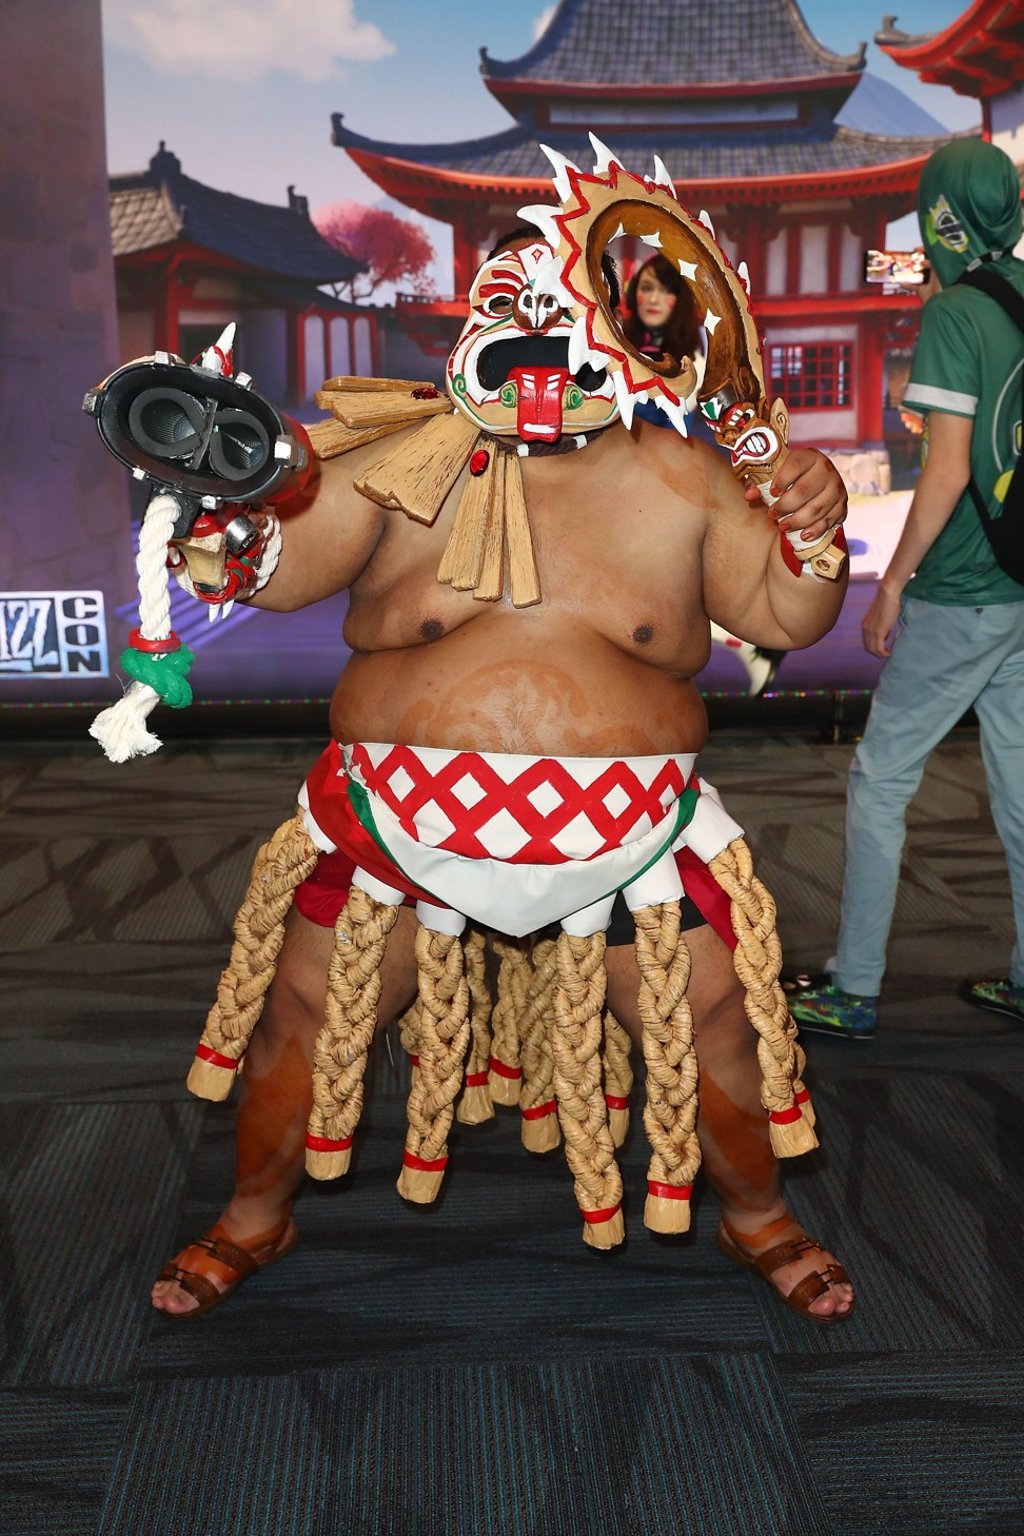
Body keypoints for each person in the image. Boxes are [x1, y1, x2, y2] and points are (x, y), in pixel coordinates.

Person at [142, 215, 854, 1323]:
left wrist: (815, 531)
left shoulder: (681, 475)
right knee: (303, 1012)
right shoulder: (395, 455)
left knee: (715, 1023)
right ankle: (253, 1213)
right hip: (393, 820)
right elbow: (279, 573)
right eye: (509, 306)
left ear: (612, 329)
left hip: (630, 833)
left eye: (559, 311)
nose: (534, 334)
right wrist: (235, 512)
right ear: (471, 322)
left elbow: (786, 616)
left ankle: (759, 1217)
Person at [788, 138, 1024, 1041]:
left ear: (941, 217)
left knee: (880, 781)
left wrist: (891, 585)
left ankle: (854, 987)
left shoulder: (958, 313)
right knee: (1018, 788)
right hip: (1020, 585)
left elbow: (949, 468)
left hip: (961, 587)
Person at [621, 253, 786, 697]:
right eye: (647, 287)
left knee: (671, 593)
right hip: (618, 487)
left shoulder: (696, 356)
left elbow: (712, 426)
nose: (654, 298)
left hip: (673, 490)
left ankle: (747, 646)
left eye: (666, 289)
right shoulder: (613, 346)